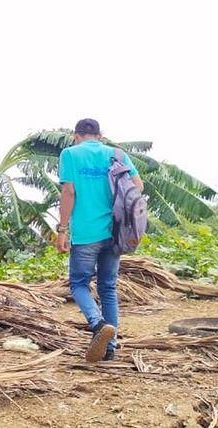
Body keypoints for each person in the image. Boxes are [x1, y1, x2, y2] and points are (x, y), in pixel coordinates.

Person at [55, 118, 143, 363]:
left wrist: (62, 229)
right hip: (115, 232)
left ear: (76, 135)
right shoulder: (117, 154)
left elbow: (69, 192)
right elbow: (138, 186)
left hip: (86, 234)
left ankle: (98, 324)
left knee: (79, 284)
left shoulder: (70, 154)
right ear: (100, 135)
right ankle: (110, 347)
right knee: (108, 287)